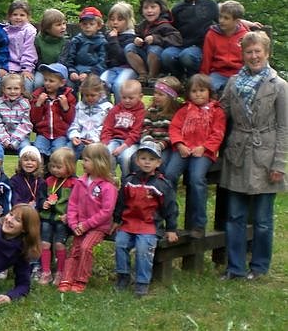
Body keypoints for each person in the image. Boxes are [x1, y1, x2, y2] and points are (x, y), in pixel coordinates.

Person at [220, 31, 287, 280]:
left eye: (258, 51)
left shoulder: (279, 86)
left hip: (266, 155)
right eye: (248, 52)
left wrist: (279, 163)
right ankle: (235, 268)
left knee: (262, 219)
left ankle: (259, 267)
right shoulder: (233, 83)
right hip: (238, 152)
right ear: (243, 55)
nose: (253, 56)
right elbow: (220, 114)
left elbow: (284, 128)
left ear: (267, 53)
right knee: (234, 216)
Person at [112, 142, 179, 297]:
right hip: (128, 223)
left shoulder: (161, 184)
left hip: (149, 225)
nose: (147, 162)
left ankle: (142, 282)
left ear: (158, 163)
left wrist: (171, 229)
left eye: (151, 159)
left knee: (143, 248)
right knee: (120, 243)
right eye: (143, 158)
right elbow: (121, 202)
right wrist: (116, 220)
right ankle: (123, 276)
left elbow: (170, 207)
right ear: (137, 161)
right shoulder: (129, 181)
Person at [165, 74, 226, 237]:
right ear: (188, 94)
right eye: (194, 91)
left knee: (196, 179)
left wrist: (204, 148)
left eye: (202, 90)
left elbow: (218, 134)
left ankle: (199, 224)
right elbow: (174, 128)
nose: (198, 94)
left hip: (203, 152)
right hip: (183, 149)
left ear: (209, 92)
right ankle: (170, 217)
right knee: (169, 175)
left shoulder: (217, 111)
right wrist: (179, 144)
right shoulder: (184, 110)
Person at [58, 143, 117, 293]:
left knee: (86, 247)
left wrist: (86, 225)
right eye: (83, 159)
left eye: (86, 160)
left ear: (99, 162)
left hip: (98, 227)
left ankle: (80, 280)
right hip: (79, 225)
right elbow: (72, 204)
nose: (82, 163)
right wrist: (73, 224)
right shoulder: (80, 182)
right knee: (75, 249)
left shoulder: (108, 186)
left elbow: (106, 211)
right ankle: (67, 279)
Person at [168, 0, 217, 79]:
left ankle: (194, 79)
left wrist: (243, 22)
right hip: (181, 45)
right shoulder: (177, 8)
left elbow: (224, 19)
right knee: (167, 55)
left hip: (200, 47)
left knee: (187, 56)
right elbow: (170, 27)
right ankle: (178, 78)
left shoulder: (210, 5)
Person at [39, 147, 77, 286]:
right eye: (53, 166)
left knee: (60, 244)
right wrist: (43, 203)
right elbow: (41, 196)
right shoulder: (48, 181)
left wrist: (70, 215)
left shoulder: (74, 183)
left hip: (63, 219)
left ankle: (60, 272)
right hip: (47, 217)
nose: (55, 170)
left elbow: (77, 202)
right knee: (44, 243)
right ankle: (46, 272)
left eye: (59, 167)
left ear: (70, 167)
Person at [126, 0, 182, 84]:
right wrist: (137, 40)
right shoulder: (142, 25)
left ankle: (153, 76)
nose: (149, 10)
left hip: (159, 59)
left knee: (154, 48)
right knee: (129, 47)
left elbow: (177, 39)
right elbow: (137, 35)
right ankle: (143, 74)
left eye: (153, 7)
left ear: (161, 9)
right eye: (146, 8)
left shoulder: (164, 24)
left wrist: (155, 39)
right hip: (145, 56)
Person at [200, 0, 249, 93]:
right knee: (209, 89)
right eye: (220, 16)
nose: (221, 21)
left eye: (226, 18)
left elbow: (247, 58)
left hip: (238, 72)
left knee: (240, 91)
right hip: (218, 72)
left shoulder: (245, 36)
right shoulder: (212, 34)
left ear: (237, 21)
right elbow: (207, 57)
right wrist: (204, 77)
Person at [30, 63, 76, 159]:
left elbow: (71, 120)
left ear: (62, 83)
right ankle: (41, 169)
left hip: (61, 135)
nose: (47, 83)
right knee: (37, 152)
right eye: (45, 80)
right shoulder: (38, 95)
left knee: (59, 153)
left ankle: (55, 169)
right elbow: (34, 119)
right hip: (43, 134)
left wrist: (66, 107)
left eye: (51, 81)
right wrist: (38, 104)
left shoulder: (68, 97)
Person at [101, 79, 145, 177]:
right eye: (124, 97)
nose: (127, 100)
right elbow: (107, 127)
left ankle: (126, 181)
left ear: (140, 97)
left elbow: (136, 133)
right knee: (107, 153)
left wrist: (123, 147)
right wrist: (105, 142)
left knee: (125, 158)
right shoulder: (116, 109)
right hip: (114, 140)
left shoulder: (141, 112)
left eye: (131, 98)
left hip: (131, 143)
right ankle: (110, 179)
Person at [137, 76, 182, 169]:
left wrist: (160, 145)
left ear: (171, 98)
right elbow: (145, 127)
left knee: (161, 162)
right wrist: (148, 142)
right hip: (149, 143)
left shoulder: (175, 114)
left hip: (165, 146)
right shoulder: (151, 110)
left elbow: (172, 134)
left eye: (161, 94)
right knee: (137, 159)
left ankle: (159, 178)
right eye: (155, 93)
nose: (156, 96)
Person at [59, 6, 107, 90]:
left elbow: (102, 62)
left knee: (95, 85)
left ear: (98, 26)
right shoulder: (76, 40)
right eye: (84, 24)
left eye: (91, 24)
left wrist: (89, 73)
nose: (87, 26)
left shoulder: (102, 42)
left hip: (94, 72)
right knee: (68, 85)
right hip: (77, 71)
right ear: (81, 25)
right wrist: (72, 71)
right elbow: (70, 59)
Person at [67, 74, 113, 159]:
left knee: (96, 154)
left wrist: (95, 140)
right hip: (80, 139)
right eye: (86, 95)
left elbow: (106, 128)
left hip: (97, 141)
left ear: (100, 93)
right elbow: (75, 123)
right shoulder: (80, 106)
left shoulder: (107, 108)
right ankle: (67, 168)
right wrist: (74, 136)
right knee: (67, 153)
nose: (89, 98)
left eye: (92, 95)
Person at [101, 2, 138, 102]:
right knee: (102, 84)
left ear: (128, 21)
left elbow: (122, 57)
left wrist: (113, 40)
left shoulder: (131, 37)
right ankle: (105, 109)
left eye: (120, 19)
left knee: (119, 85)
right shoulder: (107, 36)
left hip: (128, 68)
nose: (115, 22)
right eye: (112, 19)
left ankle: (120, 109)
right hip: (111, 69)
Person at [0, 73, 33, 153]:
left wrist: (15, 140)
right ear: (3, 89)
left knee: (27, 150)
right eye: (9, 88)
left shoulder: (25, 104)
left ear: (22, 89)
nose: (12, 91)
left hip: (21, 137)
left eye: (16, 88)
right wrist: (5, 139)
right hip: (0, 137)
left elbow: (26, 124)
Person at [4, 0, 38, 92]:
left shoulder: (29, 31)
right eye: (15, 14)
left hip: (24, 67)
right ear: (9, 16)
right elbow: (1, 51)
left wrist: (27, 69)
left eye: (22, 15)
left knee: (27, 82)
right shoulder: (4, 31)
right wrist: (3, 67)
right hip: (8, 66)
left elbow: (29, 51)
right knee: (1, 81)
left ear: (28, 17)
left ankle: (27, 101)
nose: (18, 17)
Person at [33, 8, 68, 88]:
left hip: (59, 70)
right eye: (58, 25)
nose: (63, 27)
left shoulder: (66, 41)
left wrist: (54, 72)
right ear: (47, 29)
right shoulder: (38, 40)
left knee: (67, 83)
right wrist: (45, 71)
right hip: (43, 70)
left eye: (64, 23)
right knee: (38, 83)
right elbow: (38, 59)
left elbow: (63, 60)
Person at [10, 146, 45, 211]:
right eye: (26, 160)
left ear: (38, 163)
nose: (29, 163)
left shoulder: (41, 181)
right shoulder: (14, 180)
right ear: (20, 162)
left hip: (36, 212)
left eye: (33, 160)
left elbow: (41, 198)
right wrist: (25, 209)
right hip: (20, 211)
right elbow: (15, 199)